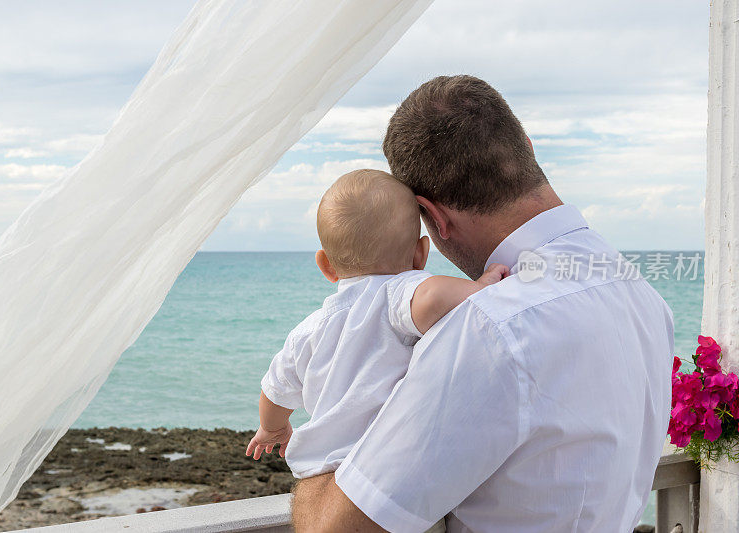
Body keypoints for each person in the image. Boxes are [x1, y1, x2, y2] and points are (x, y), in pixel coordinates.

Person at [291, 76, 675, 532]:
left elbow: (334, 529)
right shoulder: (638, 293)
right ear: (528, 147)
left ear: (432, 216)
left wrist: (334, 416)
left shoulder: (490, 328)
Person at [246, 169, 508, 533]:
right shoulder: (399, 291)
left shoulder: (308, 330)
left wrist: (272, 429)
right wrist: (481, 286)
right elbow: (432, 298)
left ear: (325, 265)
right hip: (386, 477)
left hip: (323, 474)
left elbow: (274, 390)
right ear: (421, 254)